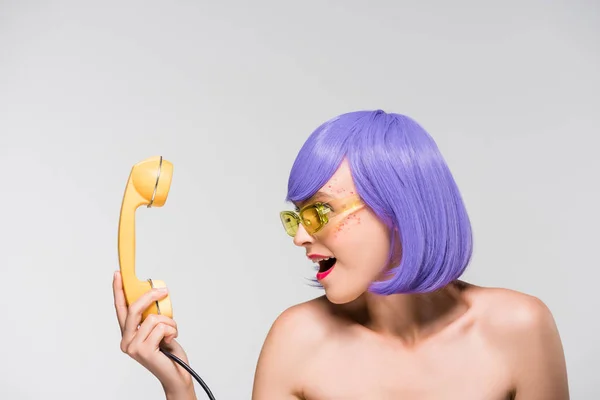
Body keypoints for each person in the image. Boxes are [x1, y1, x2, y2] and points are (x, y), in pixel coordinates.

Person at [113, 110, 569, 399]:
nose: (299, 238)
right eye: (296, 217)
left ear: (400, 209)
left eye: (320, 212)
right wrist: (179, 387)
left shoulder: (519, 328)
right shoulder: (297, 338)